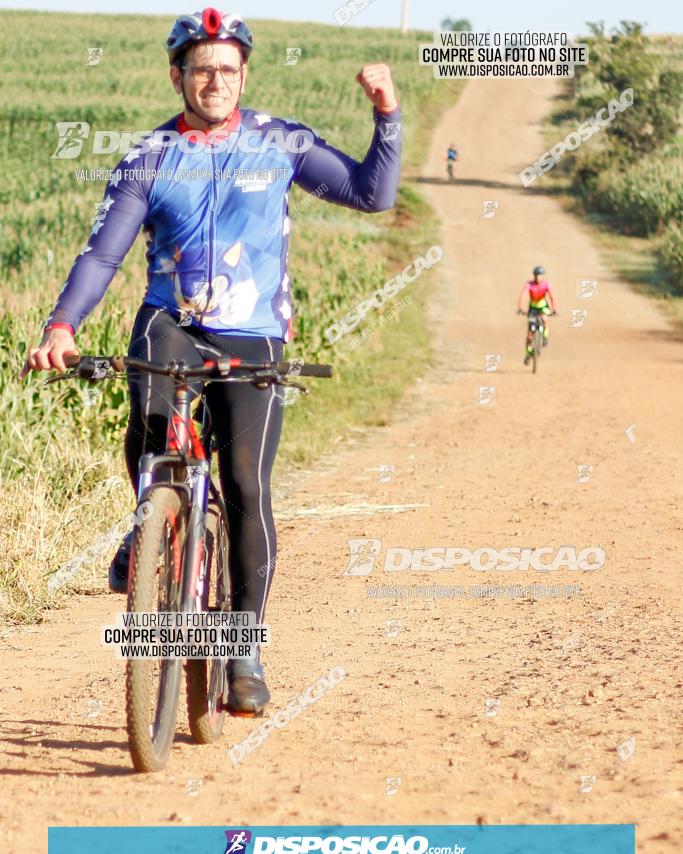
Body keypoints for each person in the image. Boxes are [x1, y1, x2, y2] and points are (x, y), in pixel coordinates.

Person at [19, 7, 401, 716]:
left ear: (243, 74)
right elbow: (104, 253)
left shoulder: (281, 142)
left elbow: (372, 195)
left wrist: (386, 116)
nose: (215, 81)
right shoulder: (149, 157)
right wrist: (62, 325)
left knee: (248, 488)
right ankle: (148, 523)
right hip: (172, 324)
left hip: (253, 337)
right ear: (178, 76)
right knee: (149, 417)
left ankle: (244, 648)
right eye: (201, 69)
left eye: (227, 69)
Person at [517, 265, 557, 364]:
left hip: (543, 307)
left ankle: (545, 336)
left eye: (539, 275)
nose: (537, 277)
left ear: (542, 276)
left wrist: (554, 309)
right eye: (536, 275)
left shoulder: (546, 285)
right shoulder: (529, 284)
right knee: (529, 334)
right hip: (533, 308)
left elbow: (552, 297)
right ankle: (528, 353)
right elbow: (523, 295)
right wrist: (520, 308)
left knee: (544, 318)